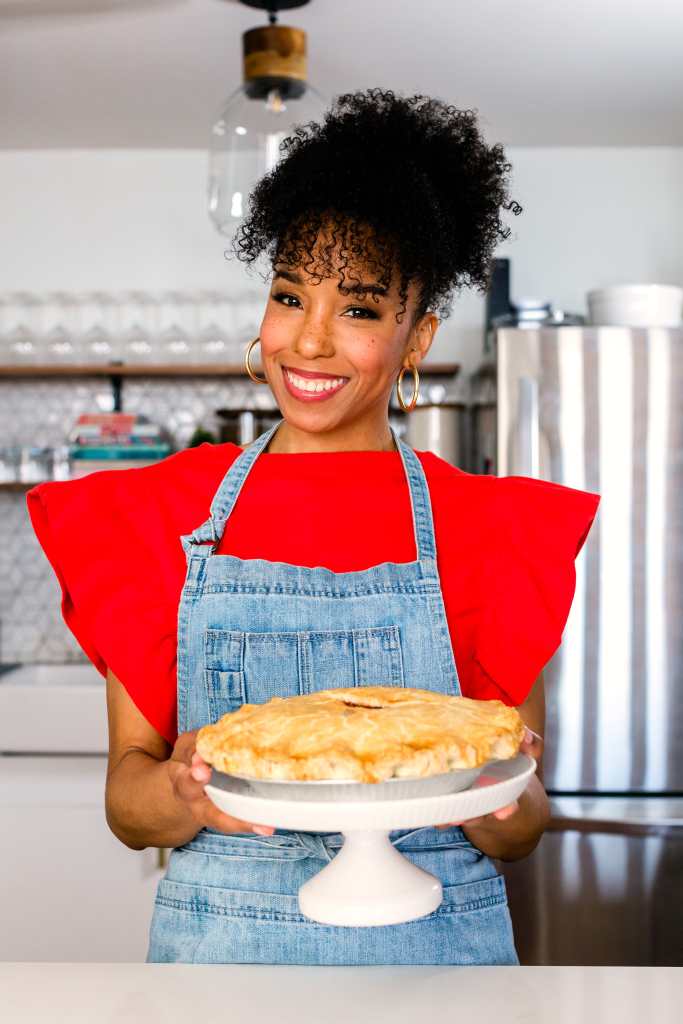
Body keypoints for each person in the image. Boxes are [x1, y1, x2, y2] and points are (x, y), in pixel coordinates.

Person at [27, 88, 599, 965]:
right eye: (290, 296)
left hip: (438, 971)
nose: (310, 341)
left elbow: (519, 831)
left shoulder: (487, 528)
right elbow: (125, 802)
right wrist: (180, 791)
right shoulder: (159, 514)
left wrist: (506, 794)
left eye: (361, 309)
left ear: (418, 335)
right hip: (224, 972)